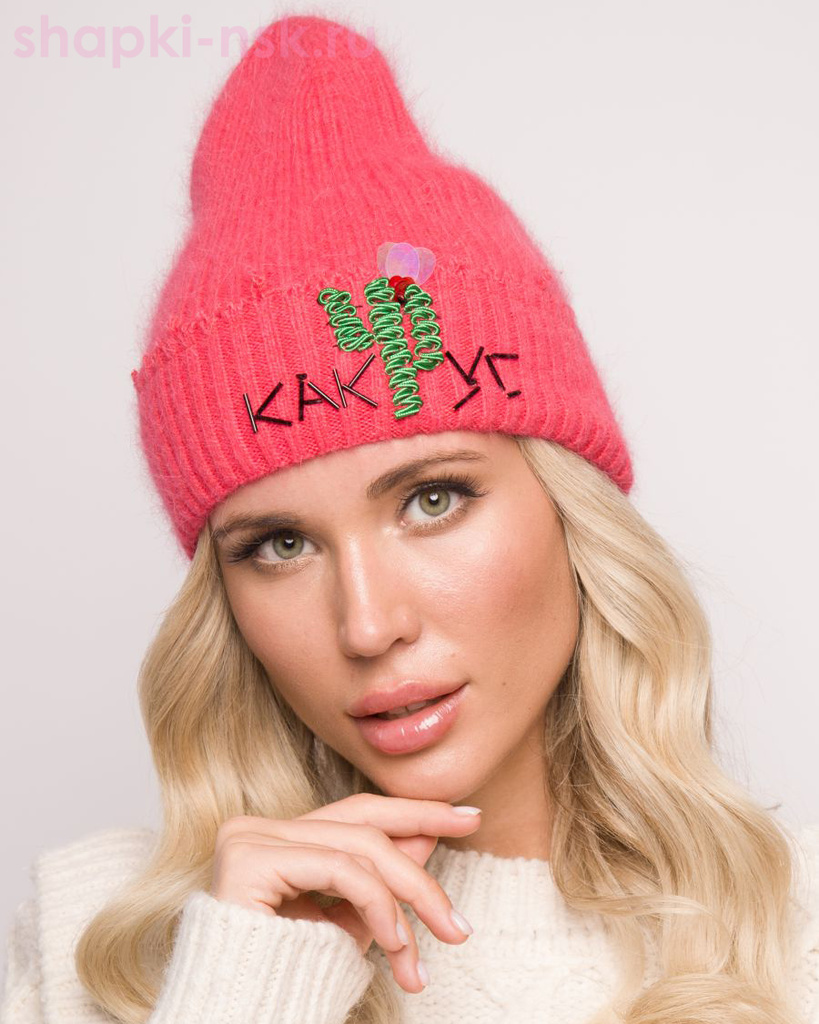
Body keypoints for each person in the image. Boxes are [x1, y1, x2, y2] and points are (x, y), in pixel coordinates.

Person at [2, 12, 817, 1024]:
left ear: (570, 514)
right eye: (280, 545)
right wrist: (243, 983)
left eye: (433, 499)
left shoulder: (793, 936)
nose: (367, 624)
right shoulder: (98, 941)